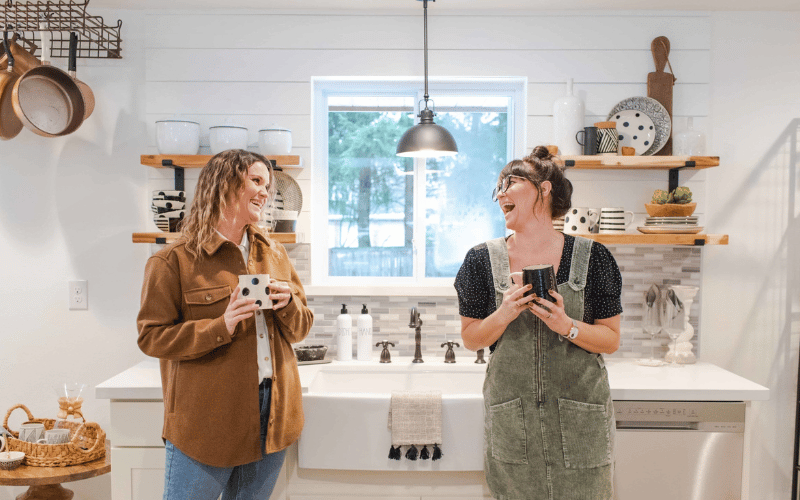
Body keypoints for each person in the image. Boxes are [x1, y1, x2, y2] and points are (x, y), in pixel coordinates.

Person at [137, 149, 314, 500]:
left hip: (274, 413)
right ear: (224, 185)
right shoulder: (173, 261)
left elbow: (301, 328)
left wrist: (287, 303)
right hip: (207, 420)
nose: (266, 192)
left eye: (268, 184)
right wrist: (223, 325)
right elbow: (151, 337)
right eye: (256, 181)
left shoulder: (274, 253)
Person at [455, 146, 622, 499]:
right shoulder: (480, 261)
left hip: (581, 424)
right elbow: (471, 339)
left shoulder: (595, 258)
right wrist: (505, 313)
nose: (500, 194)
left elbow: (609, 339)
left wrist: (567, 325)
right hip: (513, 426)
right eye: (498, 187)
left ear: (544, 189)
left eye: (510, 183)